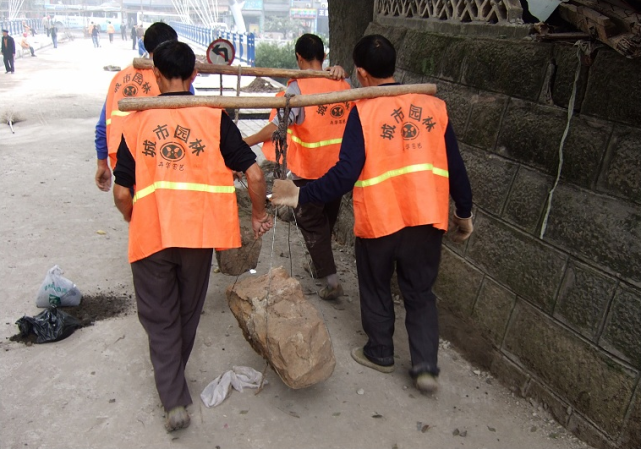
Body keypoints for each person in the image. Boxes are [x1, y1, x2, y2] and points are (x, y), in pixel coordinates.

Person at [271, 34, 474, 394]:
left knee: (377, 286)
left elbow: (343, 175)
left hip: (381, 219)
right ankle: (425, 366)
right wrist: (464, 212)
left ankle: (380, 352)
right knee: (421, 292)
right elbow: (455, 168)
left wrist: (301, 195)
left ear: (361, 74)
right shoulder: (434, 107)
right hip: (426, 219)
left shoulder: (362, 111)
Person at [112, 40, 273, 431]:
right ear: (195, 75)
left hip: (152, 235)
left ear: (154, 75)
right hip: (199, 234)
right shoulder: (213, 118)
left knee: (159, 315)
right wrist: (257, 214)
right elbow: (253, 173)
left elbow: (121, 192)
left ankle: (173, 400)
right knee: (186, 310)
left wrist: (135, 216)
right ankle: (174, 385)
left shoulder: (136, 122)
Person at [244, 33, 350, 301]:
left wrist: (247, 141)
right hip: (339, 171)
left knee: (311, 222)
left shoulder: (297, 89)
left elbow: (278, 126)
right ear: (324, 57)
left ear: (298, 58)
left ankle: (331, 280)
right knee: (325, 220)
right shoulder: (344, 83)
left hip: (310, 173)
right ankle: (319, 265)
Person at [94, 22, 185, 192]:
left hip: (123, 160)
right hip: (161, 161)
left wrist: (102, 163)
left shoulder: (120, 78)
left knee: (136, 212)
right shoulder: (175, 77)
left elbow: (102, 125)